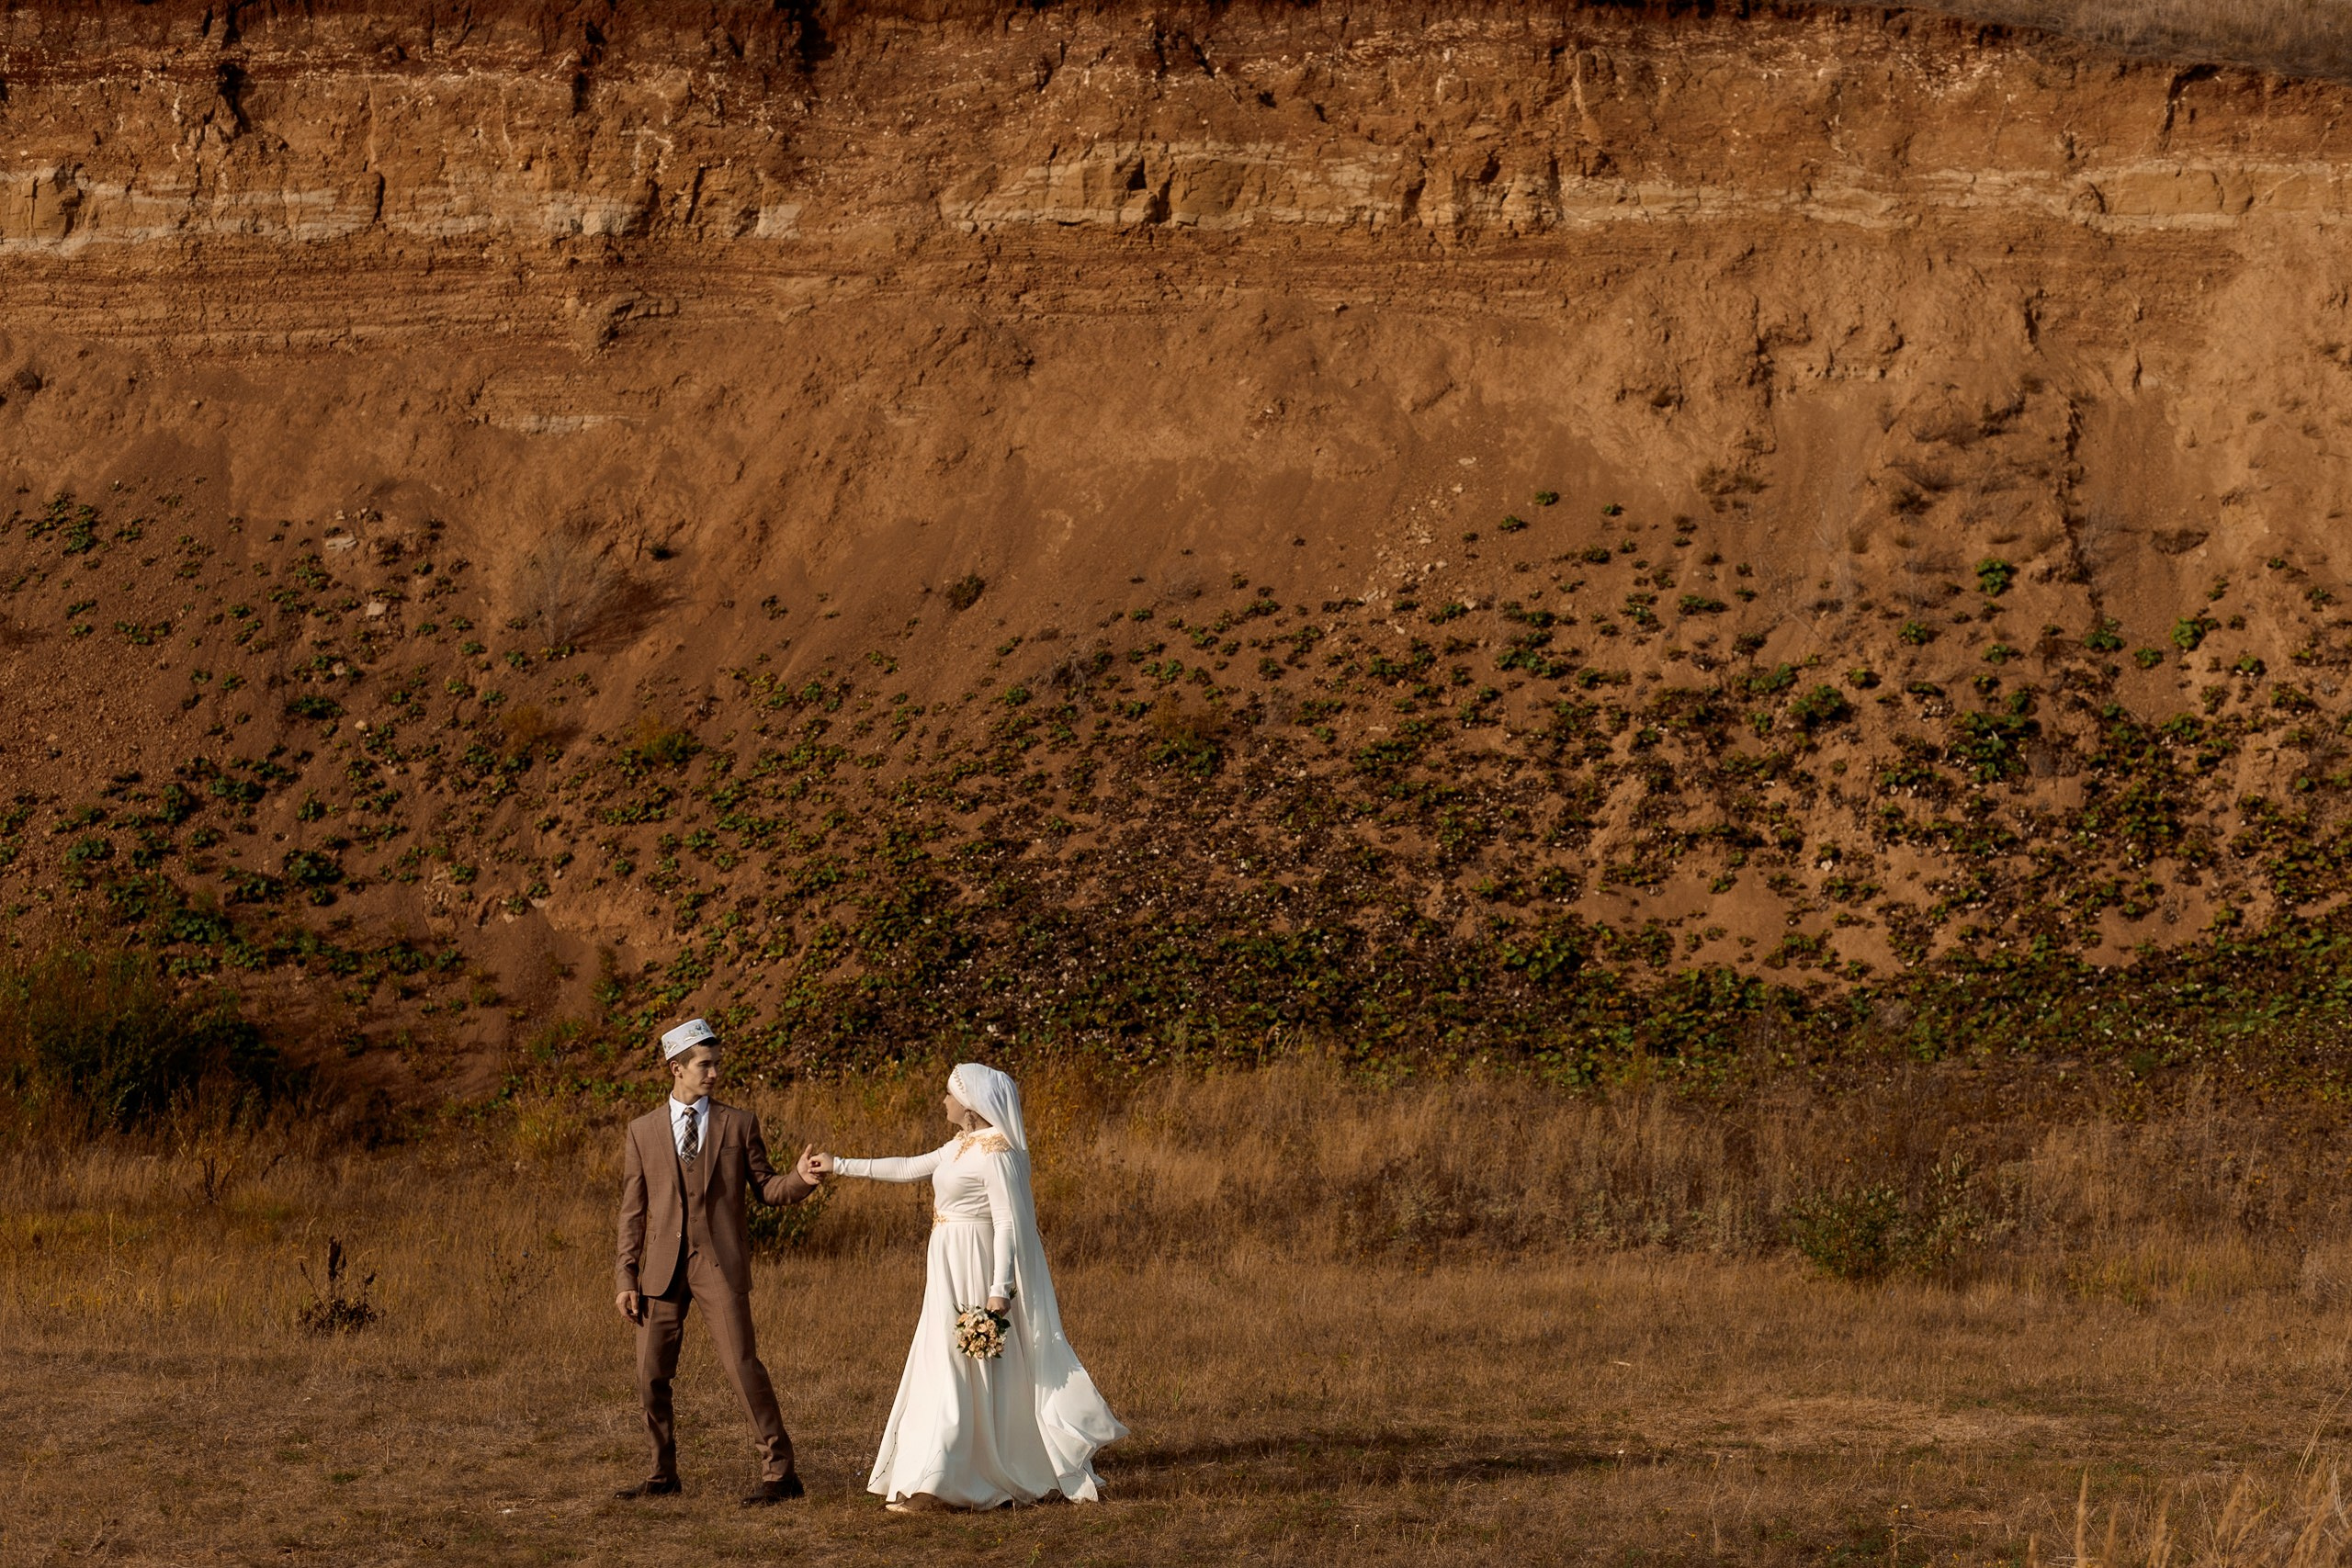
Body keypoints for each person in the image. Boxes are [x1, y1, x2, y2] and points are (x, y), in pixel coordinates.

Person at [809, 1063, 1126, 1511]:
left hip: (976, 1267)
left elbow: (1007, 1223)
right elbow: (907, 1167)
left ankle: (944, 1482)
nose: (943, 1101)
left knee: (964, 1364)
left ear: (971, 1104)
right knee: (941, 1360)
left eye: (949, 1094)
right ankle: (939, 1471)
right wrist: (839, 1164)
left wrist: (999, 1289)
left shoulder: (995, 1151)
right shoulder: (962, 1145)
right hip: (948, 1265)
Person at [613, 1018, 825, 1505]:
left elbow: (769, 1188)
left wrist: (800, 1180)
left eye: (716, 1065)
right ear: (676, 1068)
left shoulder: (739, 1122)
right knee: (651, 1376)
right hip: (660, 1271)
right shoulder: (641, 1130)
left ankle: (781, 1474)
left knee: (741, 1366)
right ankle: (661, 1476)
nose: (714, 1074)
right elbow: (632, 1210)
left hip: (719, 1266)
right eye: (704, 1065)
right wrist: (626, 1275)